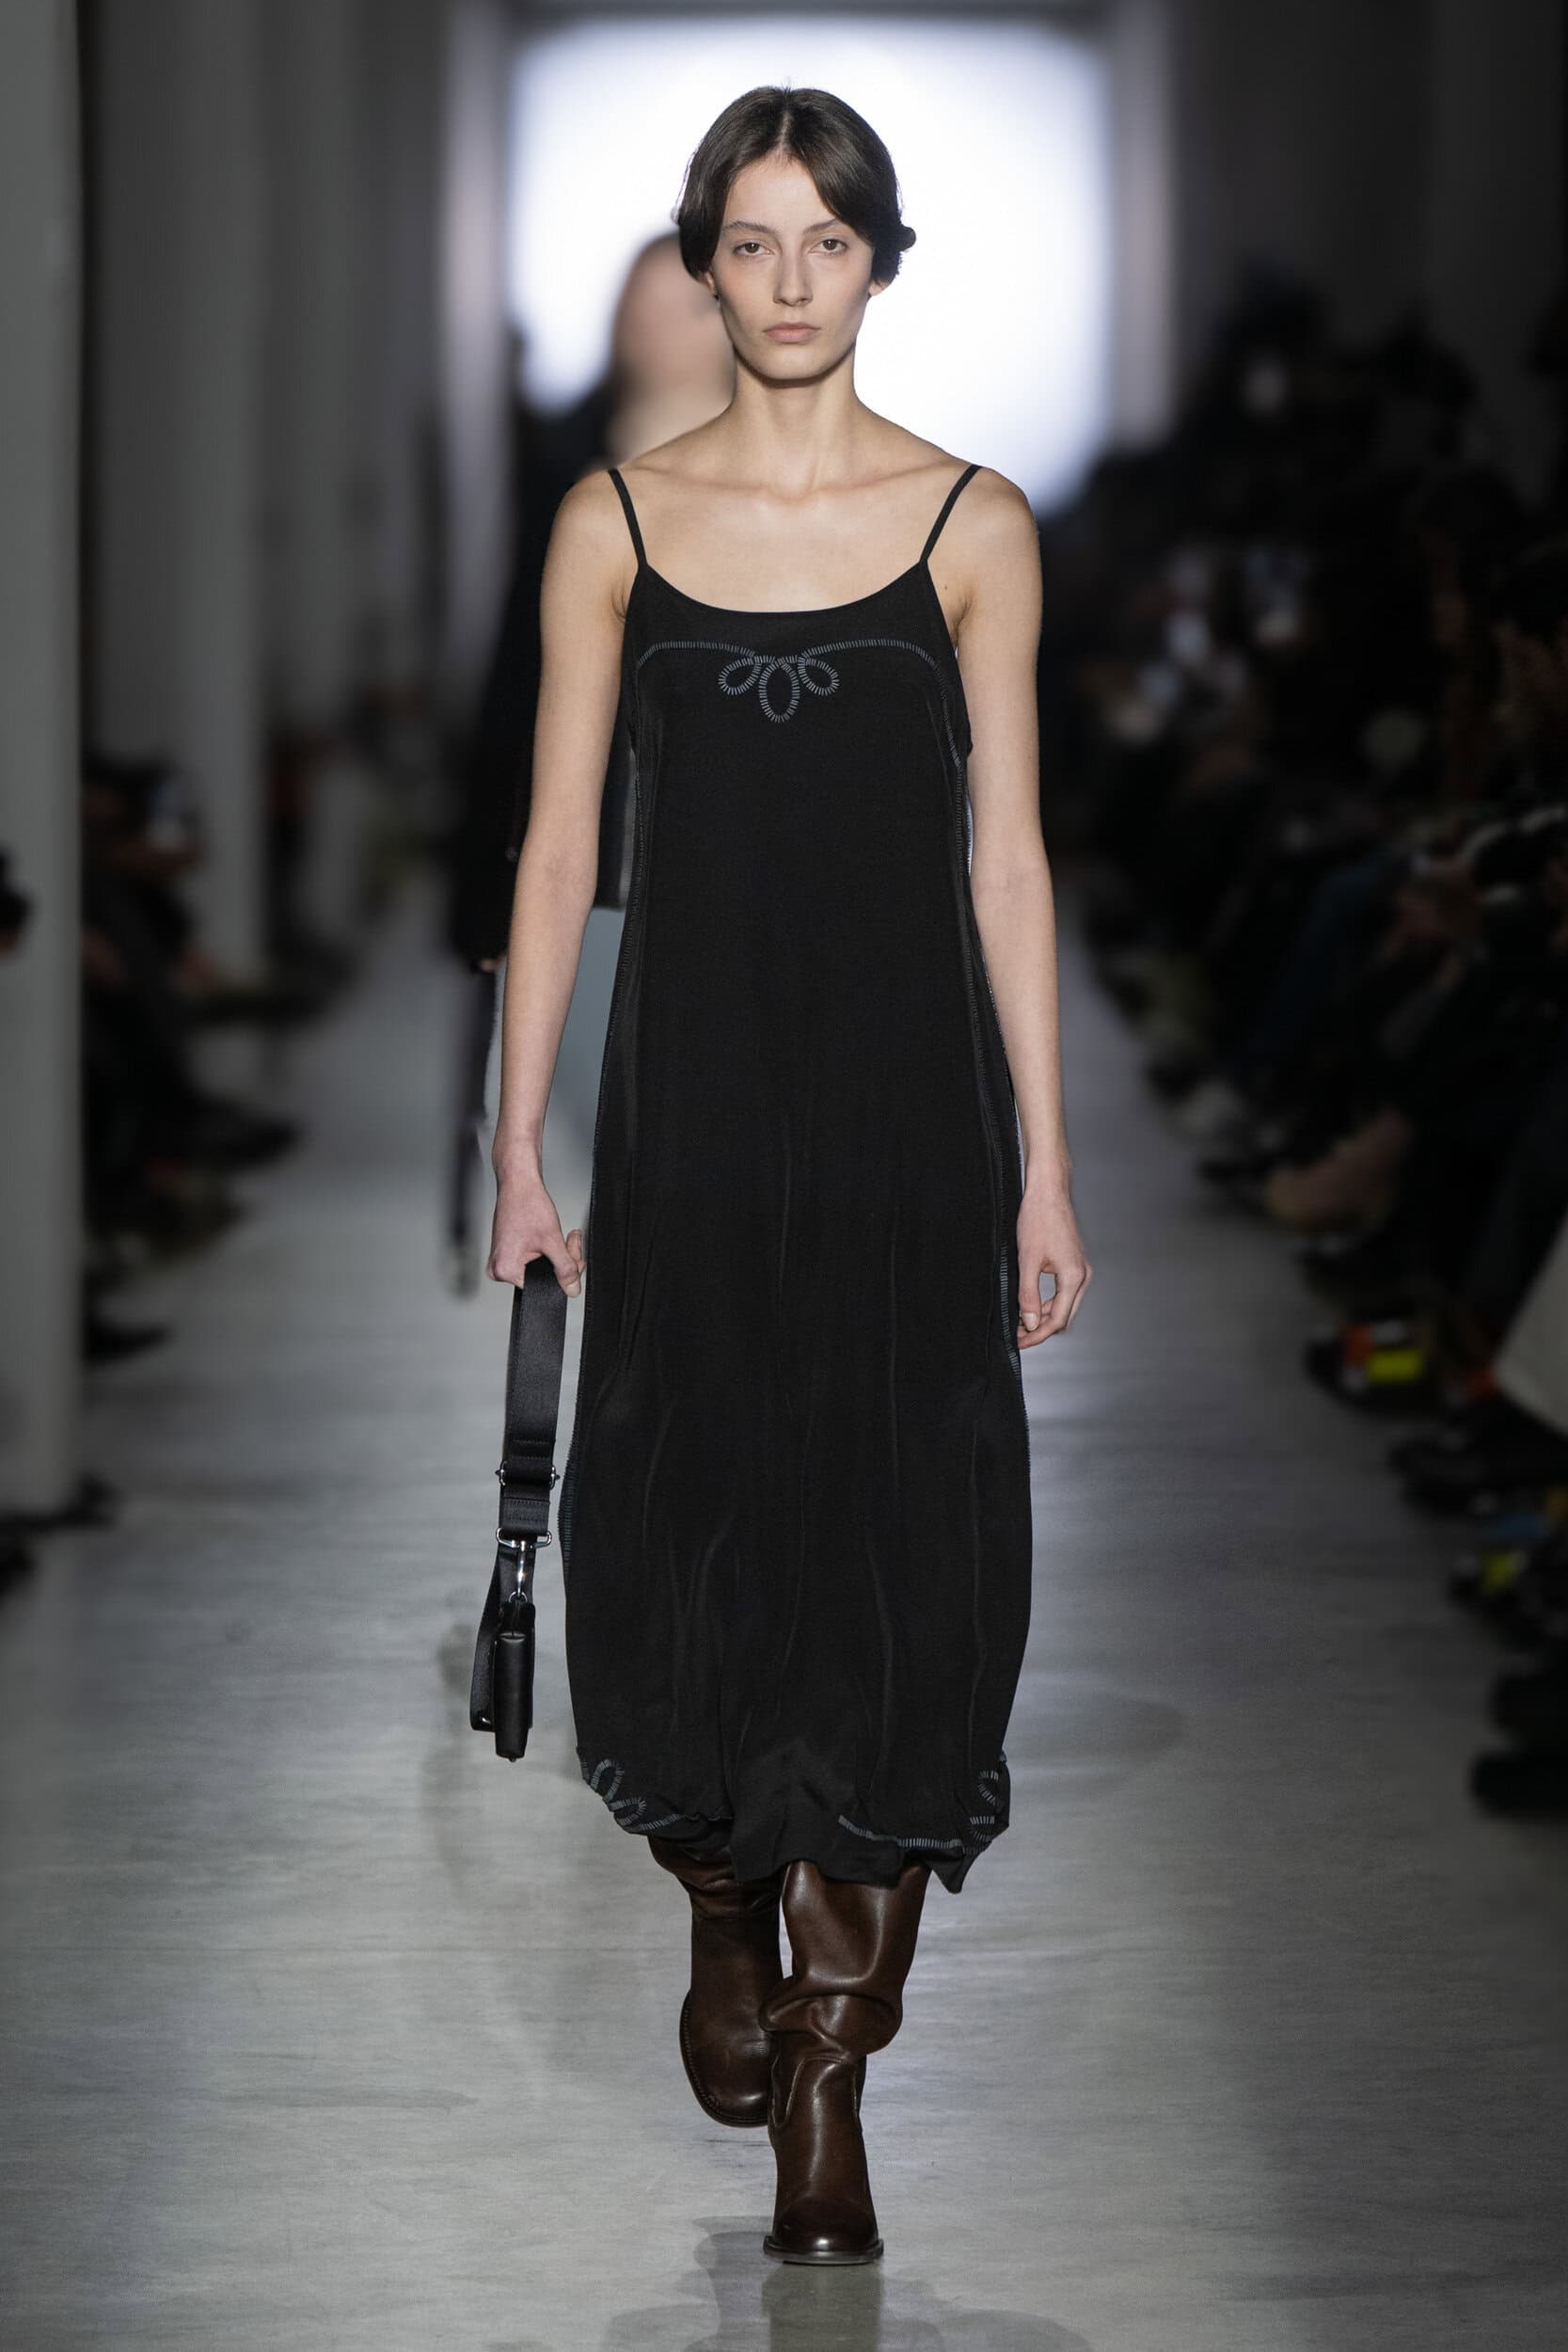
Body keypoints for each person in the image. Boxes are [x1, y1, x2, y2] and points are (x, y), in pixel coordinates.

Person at [486, 84, 1090, 2267]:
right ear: (702, 266)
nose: (790, 281)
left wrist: (1047, 1161)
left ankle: (833, 2062)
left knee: (906, 1540)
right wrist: (515, 1141)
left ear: (881, 261)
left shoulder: (975, 526)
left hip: (913, 1119)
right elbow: (561, 842)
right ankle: (725, 1895)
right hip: (693, 1119)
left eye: (827, 240)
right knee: (681, 1523)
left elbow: (1008, 858)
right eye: (751, 242)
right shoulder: (613, 525)